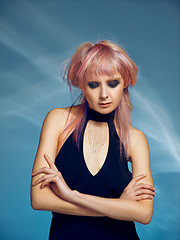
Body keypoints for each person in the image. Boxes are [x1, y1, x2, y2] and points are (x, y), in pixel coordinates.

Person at [31, 40, 155, 240]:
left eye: (113, 83)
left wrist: (72, 196)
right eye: (94, 84)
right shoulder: (58, 121)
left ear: (124, 82)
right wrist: (118, 207)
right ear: (82, 85)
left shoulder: (135, 138)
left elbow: (144, 213)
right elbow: (39, 199)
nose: (104, 94)